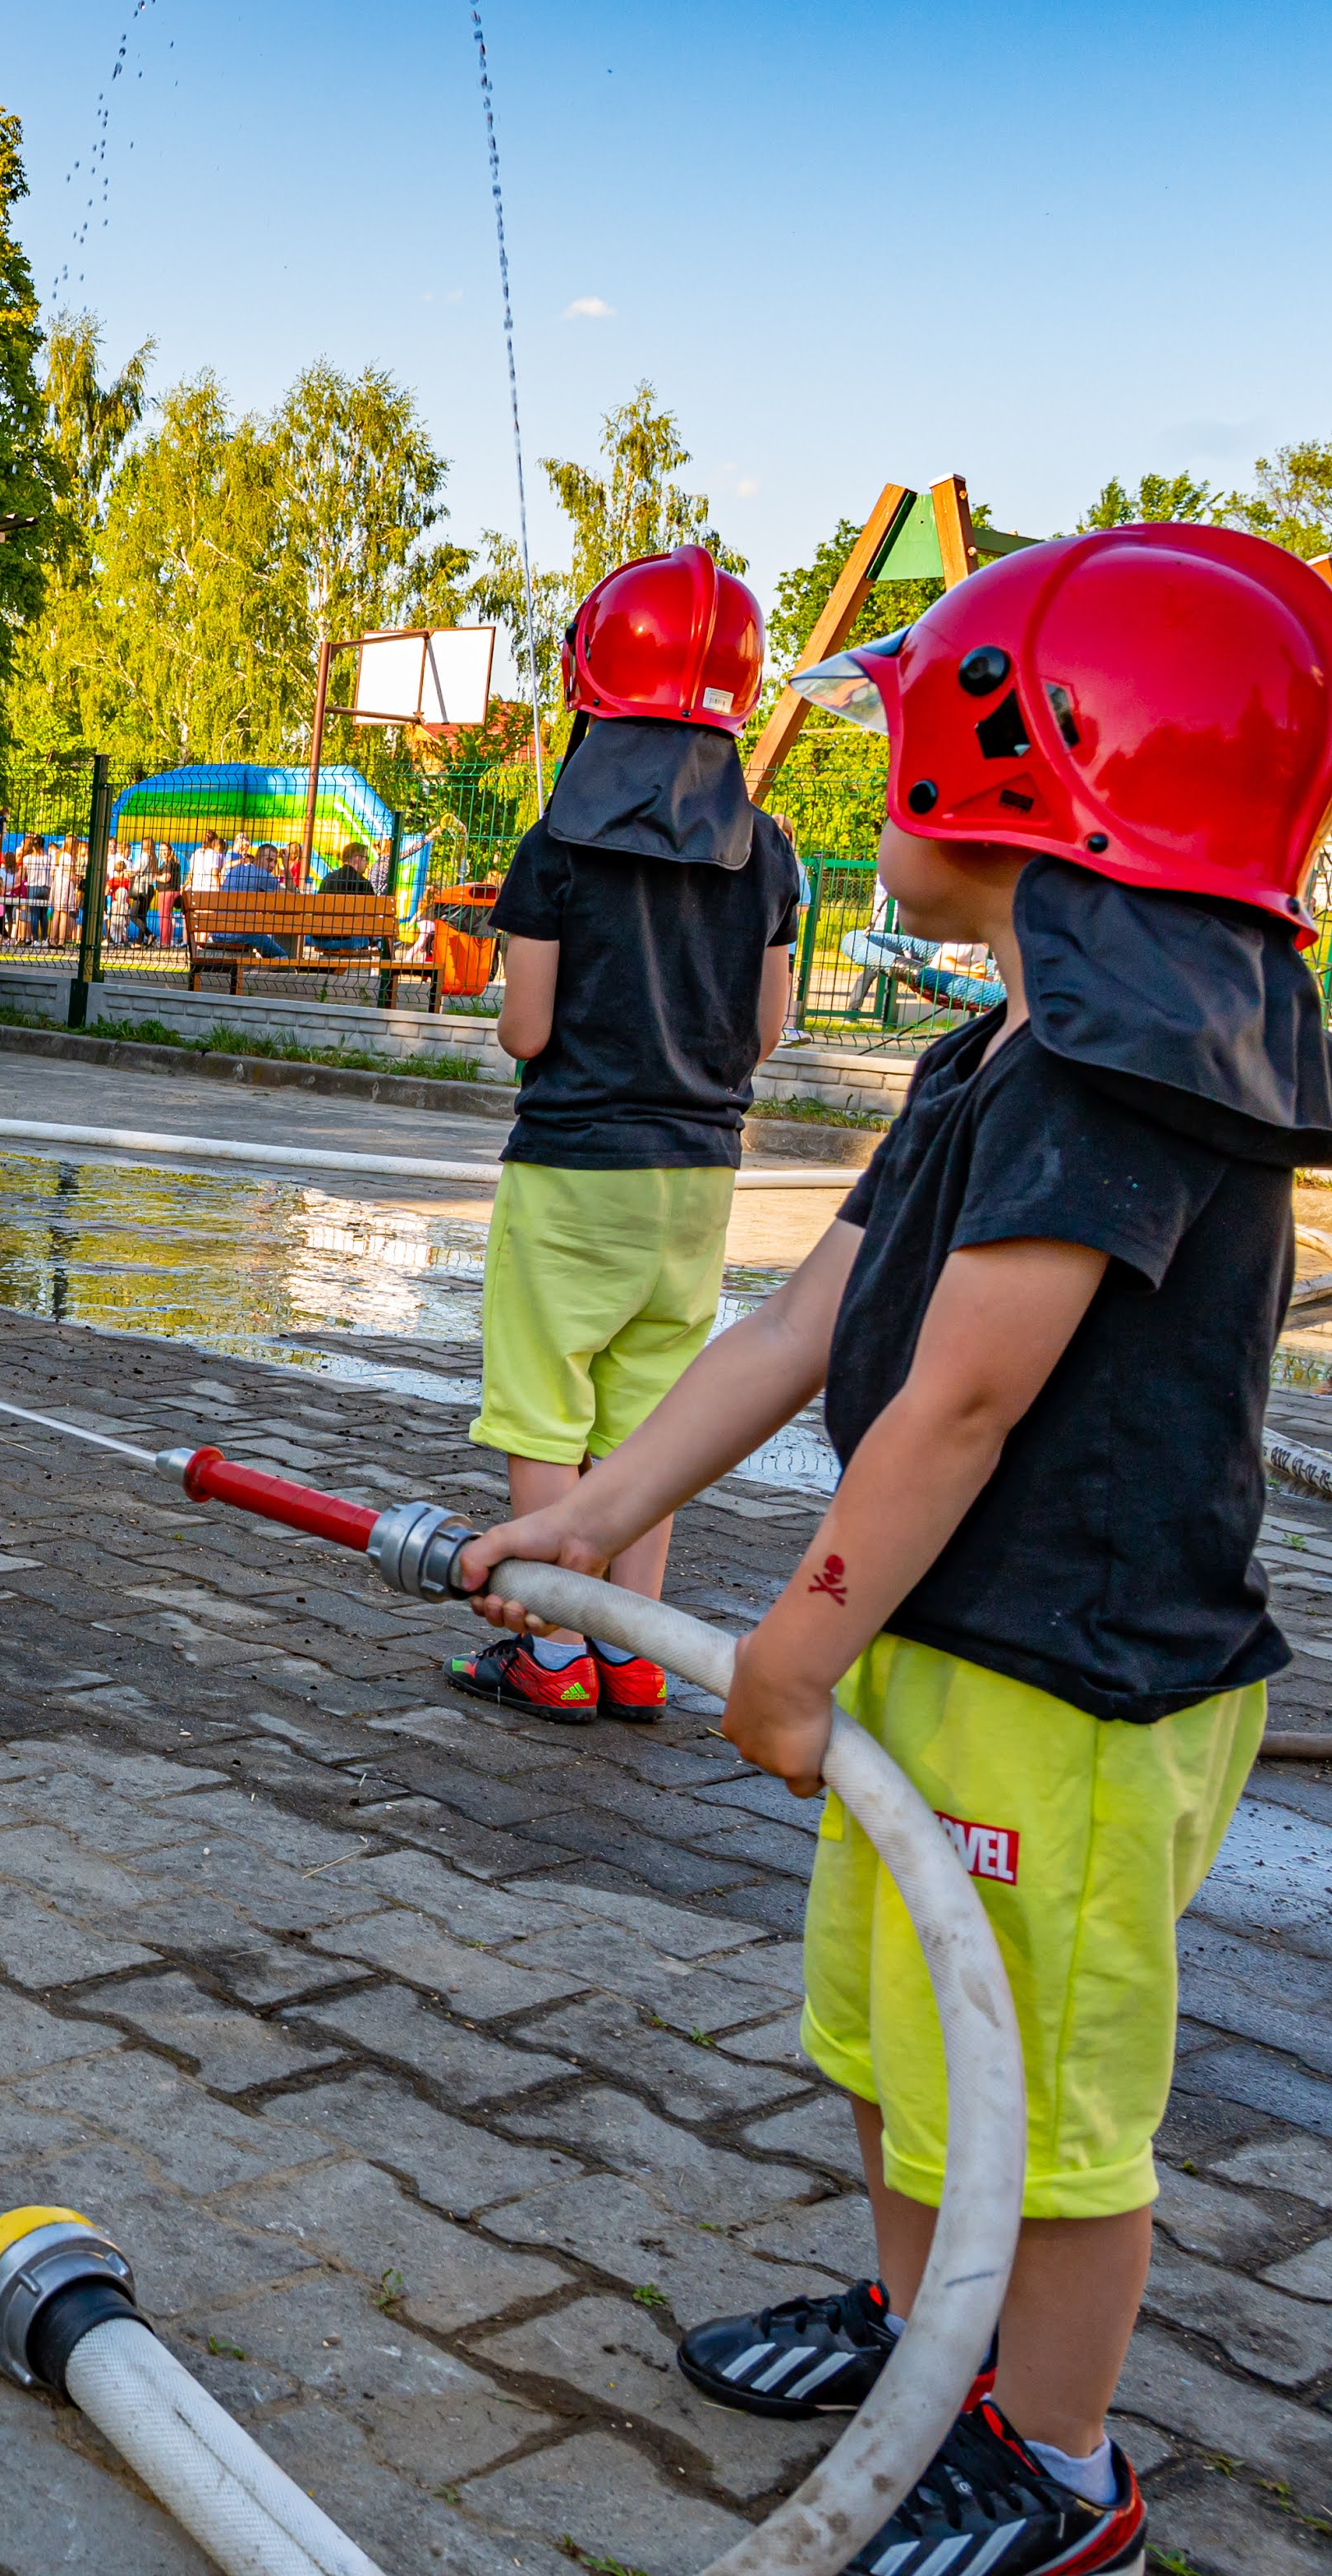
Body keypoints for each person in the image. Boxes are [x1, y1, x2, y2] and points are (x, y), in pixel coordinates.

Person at [456, 523, 1332, 2576]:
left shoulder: (1114, 1077)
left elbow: (958, 1411)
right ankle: (928, 2357)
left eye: (907, 731)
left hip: (1070, 1680)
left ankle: (1058, 2467)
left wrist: (787, 1653)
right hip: (946, 1635)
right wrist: (588, 1512)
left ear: (1030, 767)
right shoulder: (993, 1051)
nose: (876, 770)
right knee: (911, 2031)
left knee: (1047, 2101)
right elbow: (801, 1325)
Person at [451, 545, 797, 1726]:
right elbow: (769, 1026)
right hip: (697, 1178)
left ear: (589, 685)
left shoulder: (551, 849)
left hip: (569, 1171)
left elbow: (523, 1028)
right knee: (648, 1428)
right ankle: (633, 1654)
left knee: (543, 1410)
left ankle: (546, 1652)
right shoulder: (771, 851)